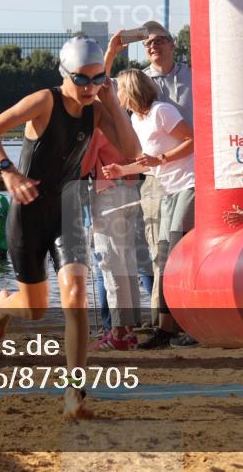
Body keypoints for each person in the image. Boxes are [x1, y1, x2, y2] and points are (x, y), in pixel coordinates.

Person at [0, 36, 139, 419]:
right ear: (64, 75)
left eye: (97, 79)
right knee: (35, 311)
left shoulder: (98, 109)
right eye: (81, 80)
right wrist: (9, 173)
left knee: (77, 297)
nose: (89, 88)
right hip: (28, 212)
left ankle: (74, 394)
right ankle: (5, 303)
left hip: (67, 208)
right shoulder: (44, 101)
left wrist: (112, 101)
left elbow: (132, 153)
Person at [104, 22, 193, 329]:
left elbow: (190, 138)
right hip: (161, 182)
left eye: (159, 42)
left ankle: (177, 322)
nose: (153, 47)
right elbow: (102, 89)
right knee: (160, 252)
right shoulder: (139, 113)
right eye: (148, 44)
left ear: (172, 44)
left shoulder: (173, 95)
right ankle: (162, 321)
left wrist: (161, 158)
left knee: (175, 249)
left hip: (188, 177)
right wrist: (122, 170)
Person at [83, 128, 143, 351]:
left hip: (109, 195)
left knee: (110, 264)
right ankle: (128, 331)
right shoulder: (124, 122)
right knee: (127, 263)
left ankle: (118, 331)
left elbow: (84, 164)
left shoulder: (98, 128)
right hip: (130, 190)